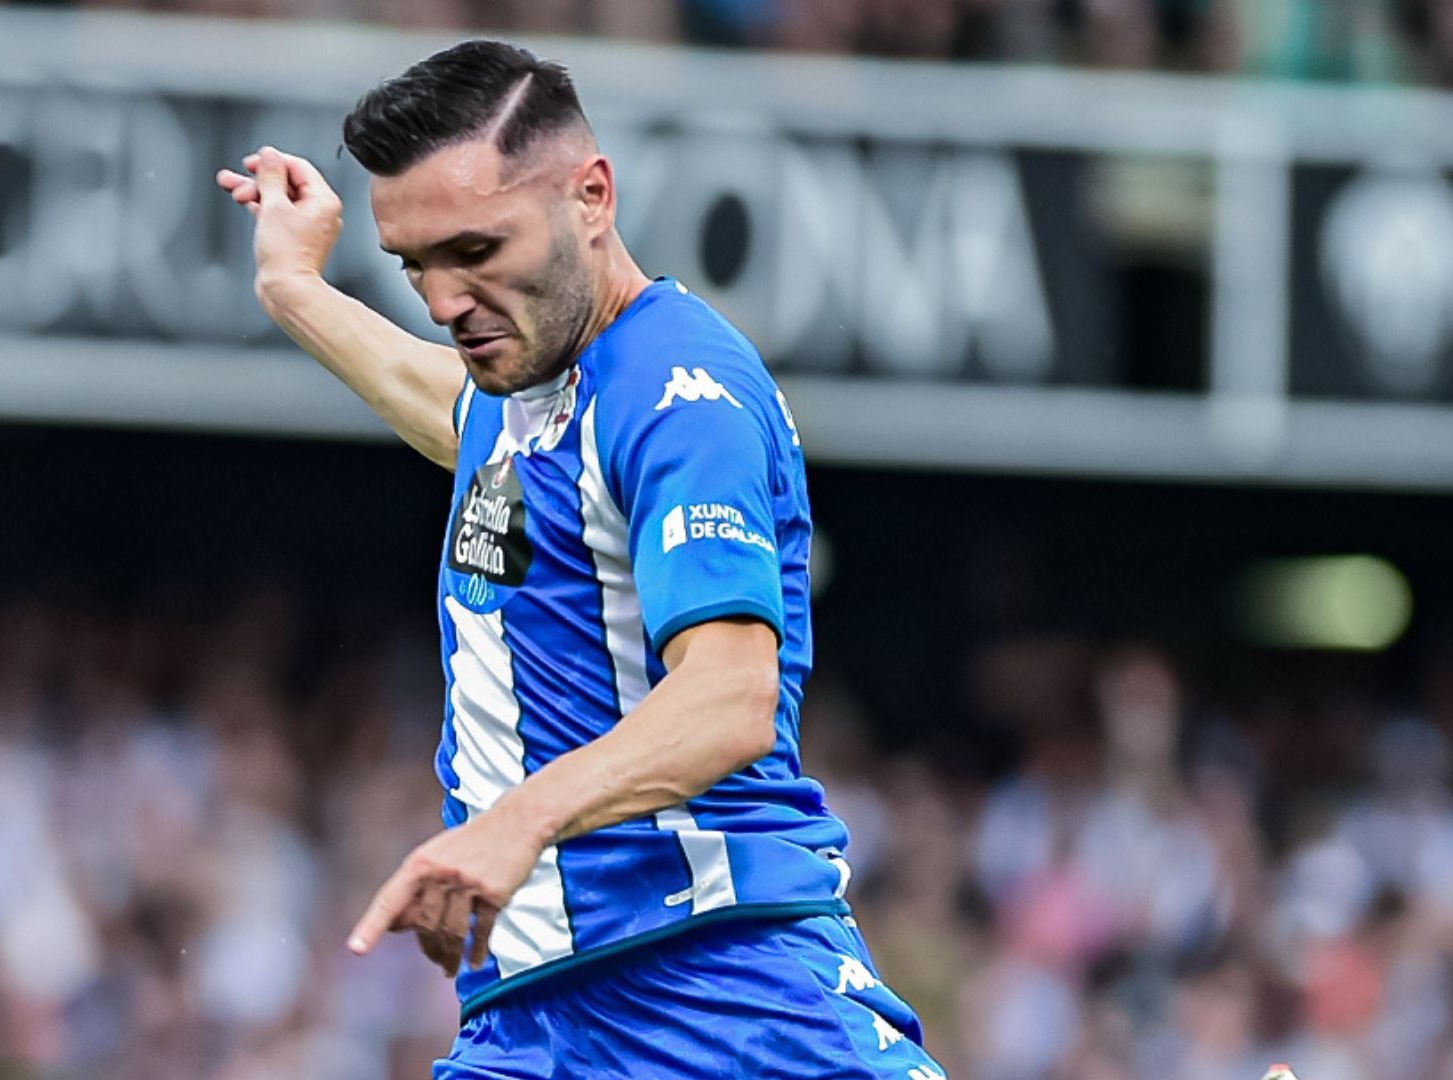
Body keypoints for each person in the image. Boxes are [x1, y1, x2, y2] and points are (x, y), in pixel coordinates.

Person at [215, 40, 944, 1079]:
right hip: (534, 1016)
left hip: (714, 996)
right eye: (417, 264)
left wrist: (518, 823)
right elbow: (451, 414)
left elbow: (732, 697)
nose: (442, 299)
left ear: (591, 196)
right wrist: (294, 287)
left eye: (476, 249)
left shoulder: (680, 393)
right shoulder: (529, 382)